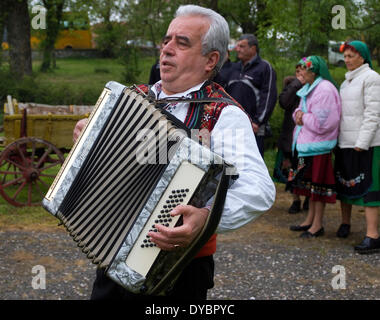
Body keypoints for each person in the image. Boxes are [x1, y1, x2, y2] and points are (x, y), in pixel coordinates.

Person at [73, 5, 275, 299]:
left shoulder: (223, 114)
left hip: (178, 270)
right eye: (166, 40)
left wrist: (207, 216)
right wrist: (86, 141)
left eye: (182, 43)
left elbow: (259, 189)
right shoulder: (133, 98)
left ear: (211, 60)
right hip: (110, 250)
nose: (167, 49)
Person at [288, 56, 341, 238]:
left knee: (318, 188)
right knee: (310, 186)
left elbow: (324, 122)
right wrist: (301, 115)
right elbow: (298, 111)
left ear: (313, 71)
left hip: (319, 146)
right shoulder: (310, 88)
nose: (300, 73)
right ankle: (309, 219)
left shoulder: (324, 89)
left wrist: (303, 117)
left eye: (303, 69)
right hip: (307, 145)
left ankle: (317, 224)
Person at [334, 40, 380, 253]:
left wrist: (362, 142)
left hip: (367, 144)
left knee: (370, 187)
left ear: (362, 57)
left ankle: (373, 235)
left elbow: (373, 113)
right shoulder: (346, 82)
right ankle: (345, 223)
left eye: (351, 56)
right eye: (345, 57)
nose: (347, 60)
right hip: (346, 142)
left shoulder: (372, 78)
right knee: (346, 184)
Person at [225, 34, 277, 157]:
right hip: (230, 125)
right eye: (237, 46)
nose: (237, 49)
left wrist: (258, 122)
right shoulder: (233, 68)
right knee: (230, 163)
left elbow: (269, 96)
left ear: (253, 49)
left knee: (252, 163)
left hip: (253, 128)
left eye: (241, 46)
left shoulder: (264, 67)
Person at [274, 65, 309, 214]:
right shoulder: (292, 86)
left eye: (303, 71)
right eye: (297, 71)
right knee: (292, 169)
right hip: (290, 135)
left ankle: (309, 198)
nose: (300, 74)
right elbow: (284, 102)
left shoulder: (315, 88)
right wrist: (295, 84)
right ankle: (296, 199)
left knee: (306, 169)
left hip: (307, 136)